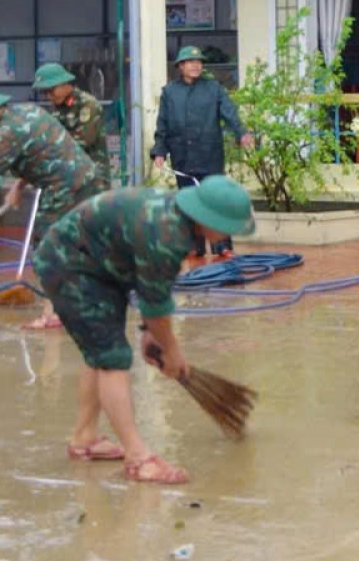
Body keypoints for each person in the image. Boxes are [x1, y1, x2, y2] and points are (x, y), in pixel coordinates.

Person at [33, 175, 257, 484]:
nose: (230, 234)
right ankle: (138, 458)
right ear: (210, 218)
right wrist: (172, 351)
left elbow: (153, 290)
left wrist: (150, 334)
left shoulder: (175, 218)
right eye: (229, 226)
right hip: (70, 267)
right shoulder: (166, 235)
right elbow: (155, 305)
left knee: (100, 353)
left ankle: (84, 438)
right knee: (113, 358)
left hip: (98, 267)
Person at [0, 88, 108, 330]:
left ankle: (52, 314)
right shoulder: (26, 111)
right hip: (87, 179)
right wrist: (18, 185)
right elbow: (37, 150)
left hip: (63, 187)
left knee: (47, 249)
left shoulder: (5, 133)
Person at [151, 46, 256, 264]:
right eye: (190, 62)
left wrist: (242, 133)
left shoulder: (213, 88)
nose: (195, 65)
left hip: (210, 154)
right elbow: (163, 125)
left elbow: (230, 113)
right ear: (180, 66)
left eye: (198, 61)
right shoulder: (169, 92)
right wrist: (159, 151)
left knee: (214, 201)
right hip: (183, 156)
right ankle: (194, 247)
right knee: (189, 203)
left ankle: (222, 247)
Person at [35, 63, 111, 183]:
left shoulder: (88, 105)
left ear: (64, 83)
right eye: (44, 93)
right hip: (66, 177)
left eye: (51, 91)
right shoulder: (57, 107)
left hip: (91, 178)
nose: (48, 96)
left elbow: (81, 142)